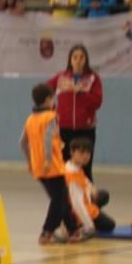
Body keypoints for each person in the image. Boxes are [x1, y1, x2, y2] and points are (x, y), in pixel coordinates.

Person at [21, 83, 79, 244]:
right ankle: (47, 231)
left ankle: (73, 229)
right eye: (52, 98)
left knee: (61, 198)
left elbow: (22, 142)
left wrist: (30, 162)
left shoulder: (30, 119)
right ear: (48, 99)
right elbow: (48, 140)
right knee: (58, 200)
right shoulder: (51, 117)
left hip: (38, 167)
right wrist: (47, 160)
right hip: (52, 166)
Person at [47, 44, 103, 180]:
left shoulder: (93, 78)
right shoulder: (61, 78)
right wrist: (52, 107)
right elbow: (44, 91)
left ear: (86, 60)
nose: (78, 60)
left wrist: (80, 92)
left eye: (81, 57)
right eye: (75, 57)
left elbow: (97, 102)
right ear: (70, 60)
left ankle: (87, 199)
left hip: (85, 130)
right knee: (65, 167)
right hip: (64, 129)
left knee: (84, 169)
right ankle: (66, 199)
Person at [65, 138, 115, 238]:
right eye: (81, 153)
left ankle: (90, 217)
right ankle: (80, 224)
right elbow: (77, 204)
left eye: (88, 153)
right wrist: (89, 225)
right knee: (109, 225)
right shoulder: (72, 176)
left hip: (84, 201)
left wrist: (91, 188)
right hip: (77, 210)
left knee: (103, 195)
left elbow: (85, 181)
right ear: (72, 152)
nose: (85, 156)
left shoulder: (72, 166)